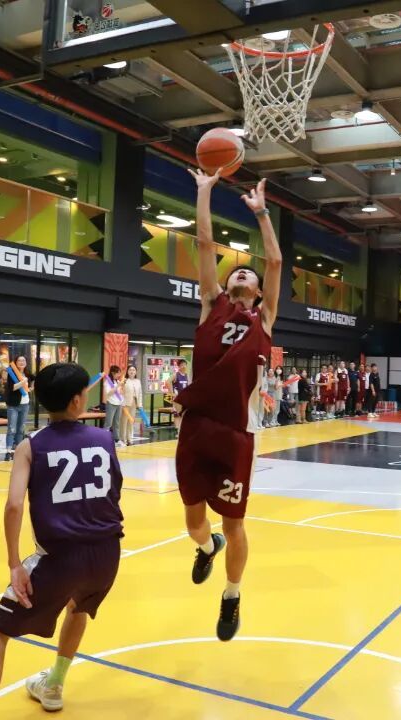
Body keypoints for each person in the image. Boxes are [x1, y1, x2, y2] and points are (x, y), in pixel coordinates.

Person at [0, 363, 124, 720]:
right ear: (76, 401)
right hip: (107, 553)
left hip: (60, 558)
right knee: (78, 607)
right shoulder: (105, 438)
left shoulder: (31, 446)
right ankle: (53, 684)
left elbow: (13, 505)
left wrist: (14, 564)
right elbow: (115, 489)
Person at [172, 169, 280, 642]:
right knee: (194, 521)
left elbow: (274, 261)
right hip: (197, 426)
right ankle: (205, 547)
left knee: (235, 522)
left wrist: (262, 214)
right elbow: (204, 244)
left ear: (257, 291)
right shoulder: (210, 304)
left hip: (237, 432)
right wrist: (204, 192)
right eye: (237, 270)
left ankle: (232, 595)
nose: (242, 273)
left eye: (248, 274)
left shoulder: (265, 319)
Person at [4, 356, 34, 461]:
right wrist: (22, 382)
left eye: (23, 360)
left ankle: (18, 450)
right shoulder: (12, 374)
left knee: (21, 429)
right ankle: (8, 451)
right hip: (14, 405)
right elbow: (12, 387)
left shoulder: (28, 374)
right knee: (12, 428)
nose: (22, 362)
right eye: (19, 360)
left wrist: (31, 387)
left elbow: (35, 380)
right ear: (16, 363)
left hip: (25, 404)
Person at [120, 364, 143, 446]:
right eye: (130, 370)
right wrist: (122, 403)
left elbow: (140, 393)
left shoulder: (138, 381)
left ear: (136, 372)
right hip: (125, 403)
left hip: (134, 403)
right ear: (127, 371)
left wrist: (140, 404)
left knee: (131, 421)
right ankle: (123, 439)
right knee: (124, 421)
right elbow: (120, 392)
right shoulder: (125, 380)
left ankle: (129, 439)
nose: (132, 371)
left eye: (133, 370)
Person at [102, 365, 124, 447]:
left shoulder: (117, 381)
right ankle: (104, 440)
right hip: (111, 403)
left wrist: (121, 387)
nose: (119, 375)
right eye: (117, 373)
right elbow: (109, 393)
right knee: (108, 423)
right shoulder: (107, 382)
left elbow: (120, 393)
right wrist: (117, 386)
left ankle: (117, 439)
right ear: (113, 373)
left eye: (119, 373)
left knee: (117, 423)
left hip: (119, 403)